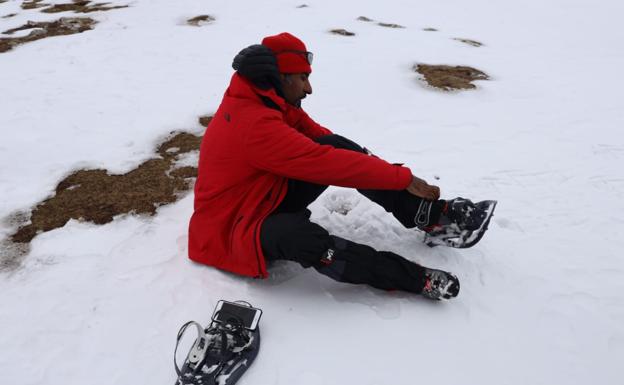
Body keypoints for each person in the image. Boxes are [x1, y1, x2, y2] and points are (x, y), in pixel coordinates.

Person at [188, 32, 496, 300]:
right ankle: (414, 279)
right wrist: (401, 177)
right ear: (281, 78)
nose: (309, 89)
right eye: (303, 78)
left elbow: (324, 142)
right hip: (231, 230)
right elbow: (324, 163)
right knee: (301, 238)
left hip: (260, 196)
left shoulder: (266, 98)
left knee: (336, 145)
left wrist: (382, 168)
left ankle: (430, 217)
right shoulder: (254, 125)